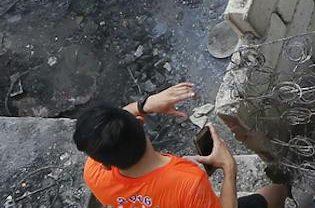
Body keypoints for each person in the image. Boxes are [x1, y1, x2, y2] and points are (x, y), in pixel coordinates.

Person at [74, 82, 287, 208]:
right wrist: (228, 167)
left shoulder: (94, 173)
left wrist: (145, 104)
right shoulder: (189, 184)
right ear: (140, 122)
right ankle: (288, 190)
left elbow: (107, 133)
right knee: (276, 192)